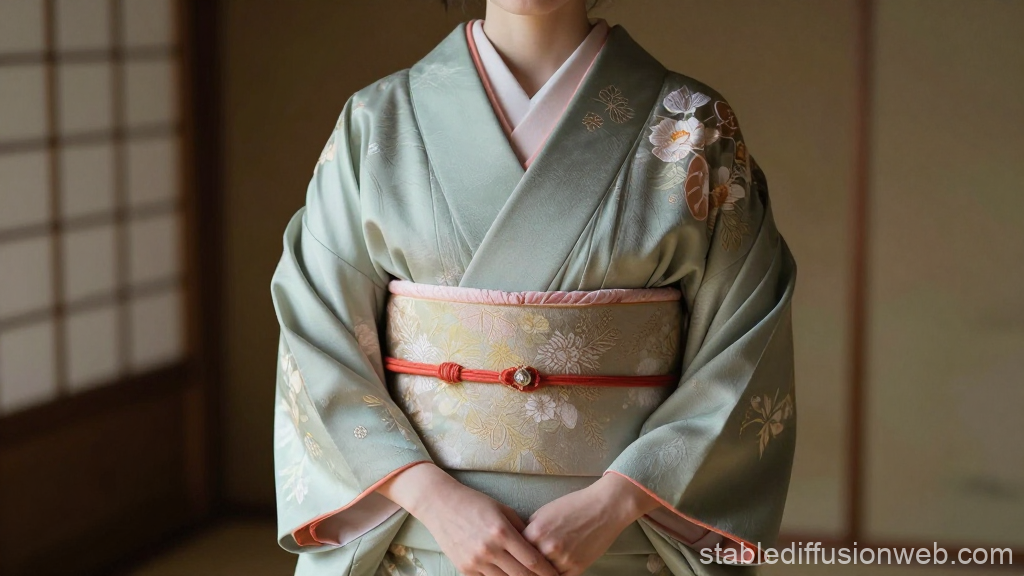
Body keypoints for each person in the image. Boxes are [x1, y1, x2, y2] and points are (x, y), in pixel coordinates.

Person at [270, 1, 797, 575]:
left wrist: (615, 501)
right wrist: (433, 498)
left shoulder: (695, 127)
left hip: (624, 540)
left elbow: (744, 345)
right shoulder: (377, 120)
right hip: (420, 539)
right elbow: (318, 335)